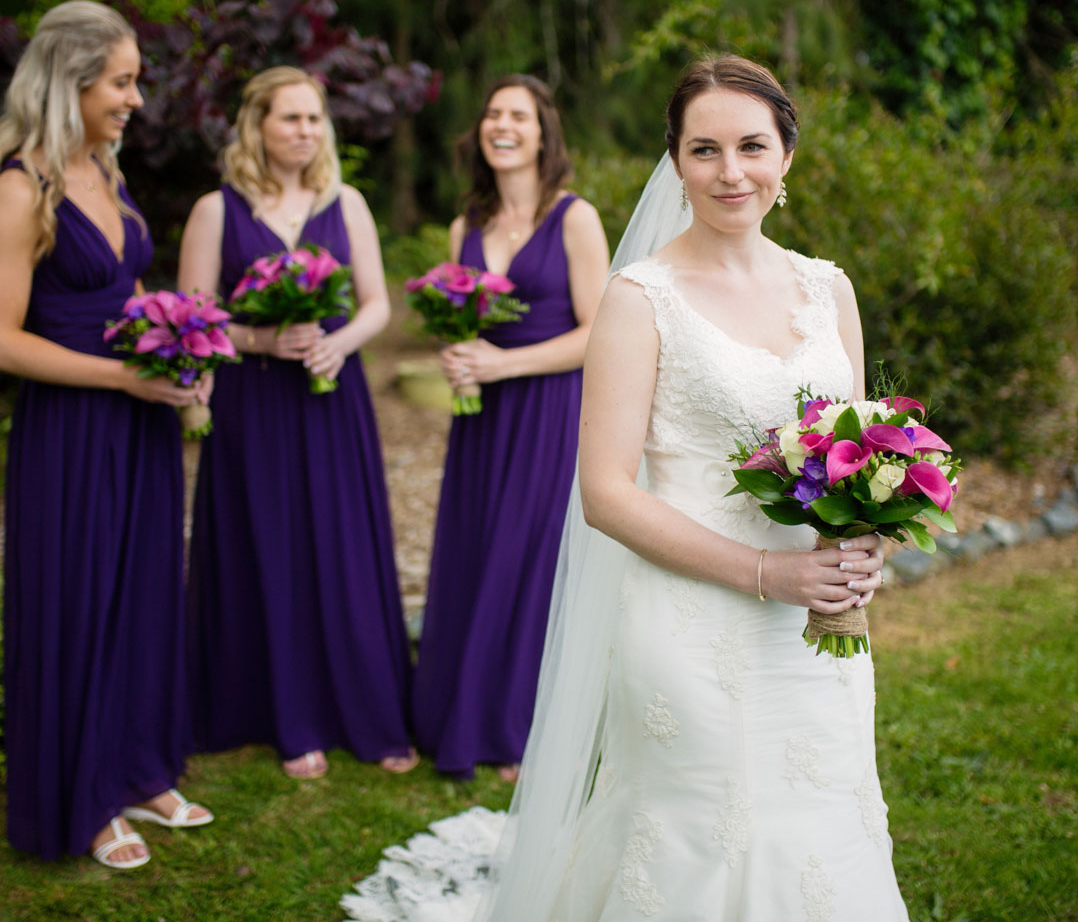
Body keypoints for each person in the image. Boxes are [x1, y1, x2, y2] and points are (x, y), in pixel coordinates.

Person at [345, 56, 907, 921]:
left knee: (821, 822)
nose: (731, 172)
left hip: (816, 629)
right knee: (695, 833)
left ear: (786, 155)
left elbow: (849, 456)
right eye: (704, 149)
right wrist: (767, 574)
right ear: (675, 162)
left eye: (752, 146)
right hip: (690, 625)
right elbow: (604, 493)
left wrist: (860, 544)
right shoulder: (641, 297)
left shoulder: (828, 289)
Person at [0, 0, 213, 871]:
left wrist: (182, 341)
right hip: (71, 434)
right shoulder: (19, 187)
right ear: (71, 84)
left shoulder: (106, 174)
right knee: (79, 602)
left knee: (143, 593)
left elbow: (124, 293)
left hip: (139, 424)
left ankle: (141, 766)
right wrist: (123, 376)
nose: (136, 100)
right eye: (122, 81)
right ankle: (83, 794)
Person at [179, 66, 417, 780]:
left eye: (315, 119)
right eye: (291, 118)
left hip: (330, 397)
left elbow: (376, 304)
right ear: (257, 125)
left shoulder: (346, 203)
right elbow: (195, 319)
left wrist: (336, 343)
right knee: (269, 546)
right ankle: (284, 716)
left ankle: (362, 709)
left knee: (340, 545)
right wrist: (259, 341)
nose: (306, 132)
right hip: (252, 405)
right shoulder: (216, 211)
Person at [411, 74, 611, 780]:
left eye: (518, 116)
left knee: (532, 562)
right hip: (481, 420)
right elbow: (459, 318)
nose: (502, 124)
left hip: (551, 412)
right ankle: (458, 713)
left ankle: (520, 726)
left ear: (543, 131)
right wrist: (459, 355)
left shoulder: (575, 217)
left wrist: (505, 365)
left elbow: (601, 333)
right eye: (492, 112)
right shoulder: (465, 225)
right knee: (474, 547)